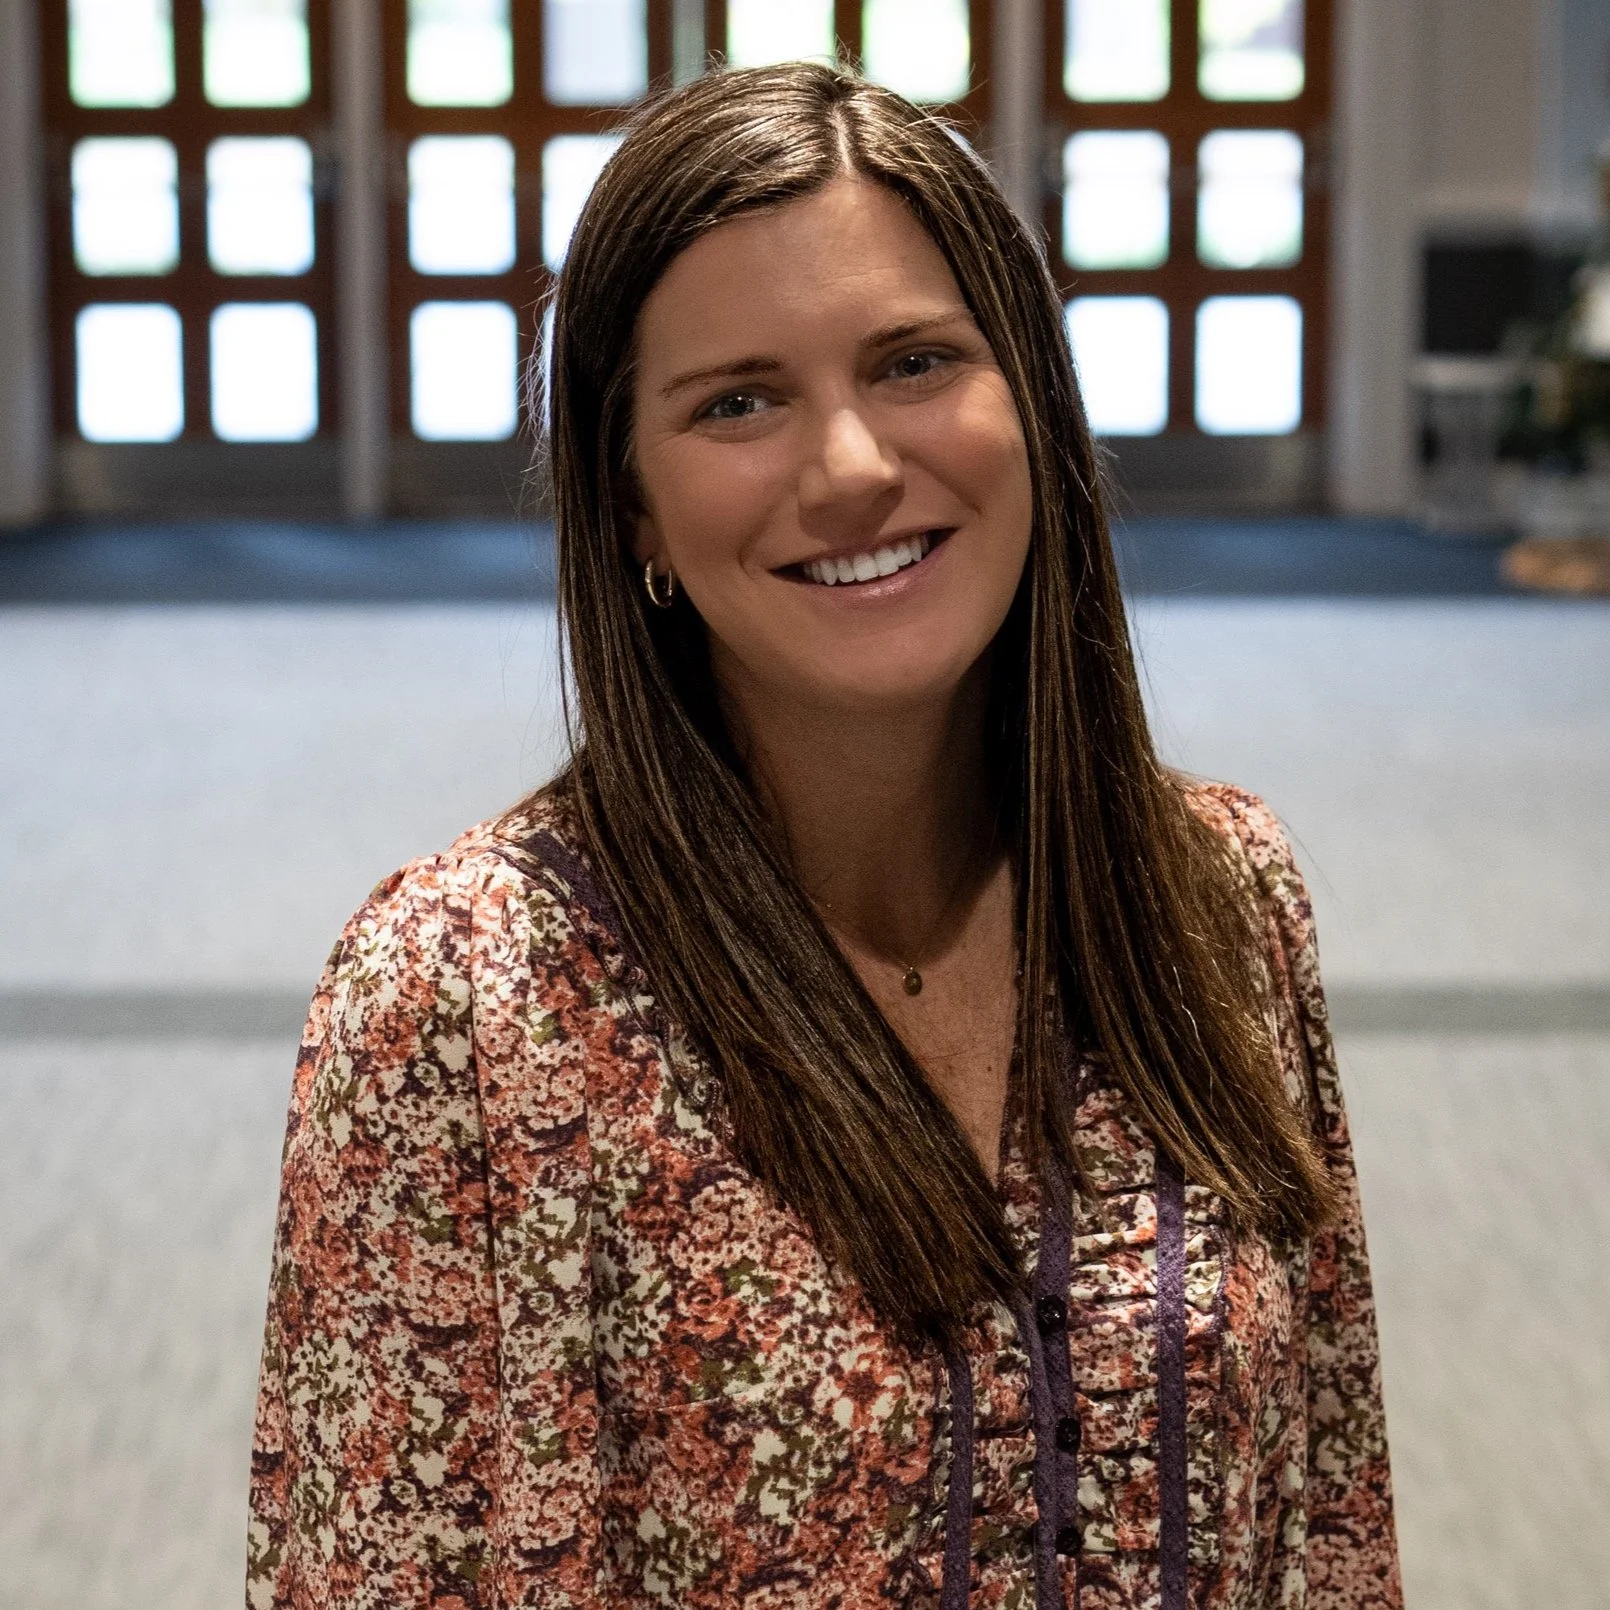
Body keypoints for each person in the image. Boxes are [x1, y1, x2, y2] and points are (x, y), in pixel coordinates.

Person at [247, 63, 1402, 1610]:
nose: (852, 466)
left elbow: (1327, 1523)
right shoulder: (462, 1006)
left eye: (914, 362)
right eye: (738, 400)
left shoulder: (1217, 894)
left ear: (1033, 411)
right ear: (632, 505)